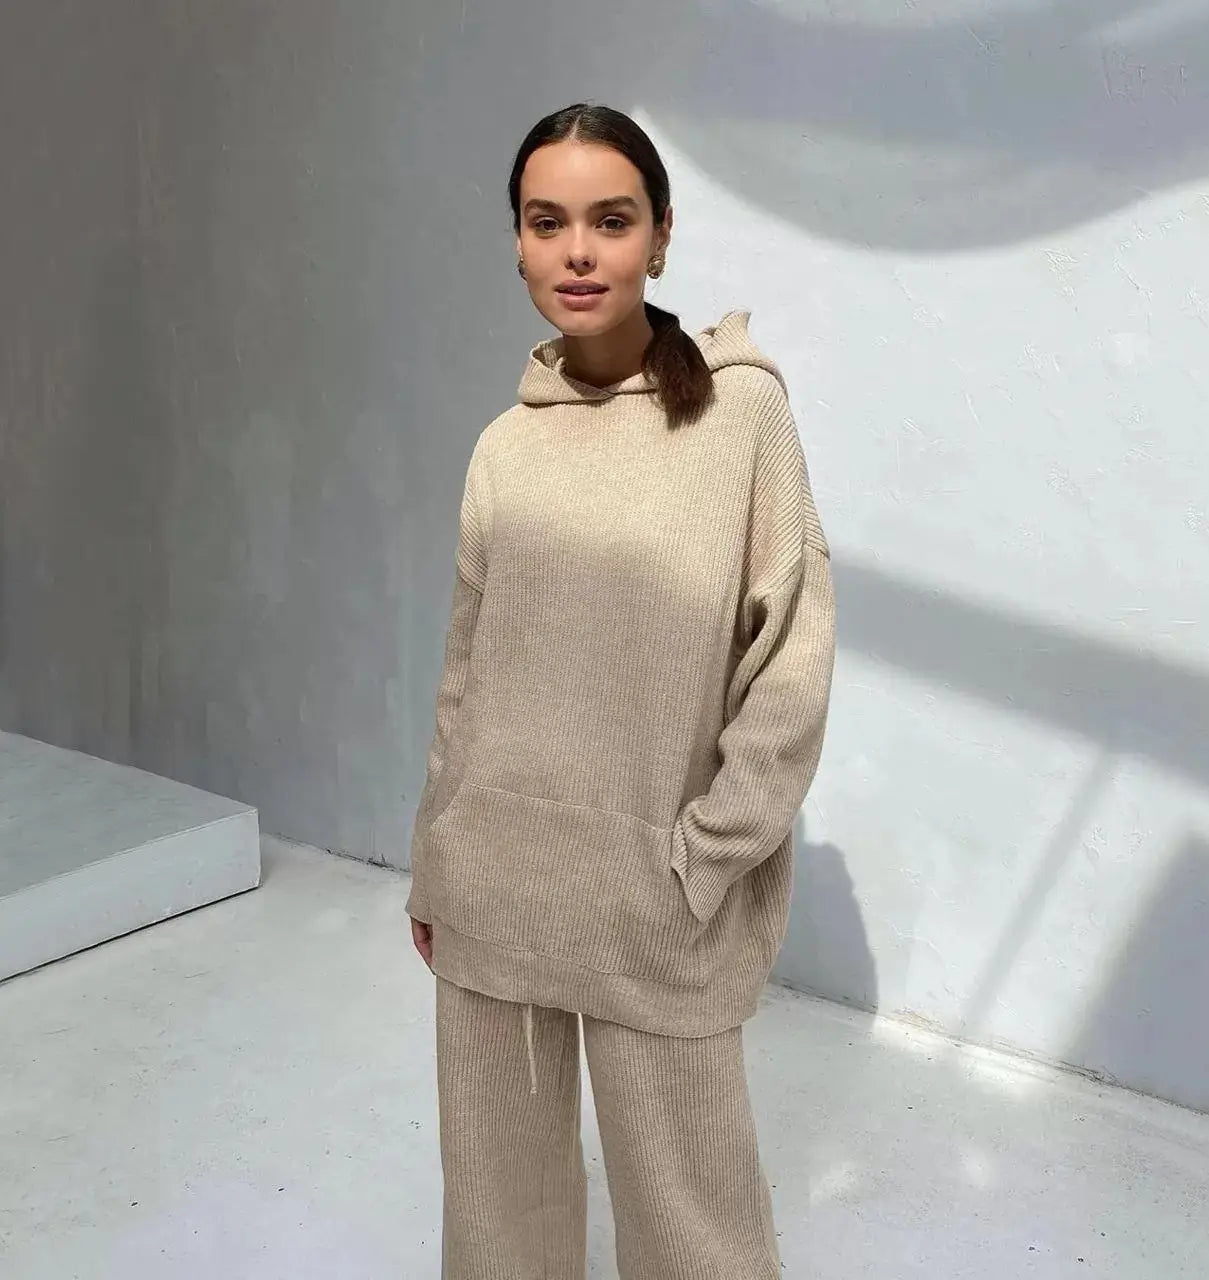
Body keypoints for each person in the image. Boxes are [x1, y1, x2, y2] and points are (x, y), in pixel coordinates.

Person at [406, 102, 836, 1280]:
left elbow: (790, 661)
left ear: (660, 236)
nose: (578, 251)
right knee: (497, 1217)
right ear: (515, 242)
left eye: (610, 219)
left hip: (655, 895)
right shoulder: (504, 448)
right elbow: (467, 671)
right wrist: (437, 854)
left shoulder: (739, 418)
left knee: (694, 1222)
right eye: (547, 222)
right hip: (494, 881)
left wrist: (705, 857)